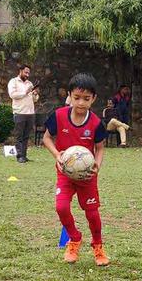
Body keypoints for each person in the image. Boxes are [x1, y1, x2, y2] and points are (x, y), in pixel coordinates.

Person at [42, 73, 111, 266]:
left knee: (92, 213)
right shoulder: (58, 116)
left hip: (86, 176)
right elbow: (46, 138)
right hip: (65, 172)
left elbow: (100, 147)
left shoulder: (96, 123)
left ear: (94, 99)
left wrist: (97, 165)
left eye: (86, 99)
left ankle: (98, 246)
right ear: (70, 96)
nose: (81, 103)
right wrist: (57, 156)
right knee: (61, 207)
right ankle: (74, 238)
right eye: (77, 98)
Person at [7, 64, 38, 163]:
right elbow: (12, 95)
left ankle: (24, 155)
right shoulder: (13, 81)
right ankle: (19, 156)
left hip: (30, 113)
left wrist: (35, 94)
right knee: (19, 136)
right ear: (20, 71)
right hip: (19, 112)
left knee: (26, 136)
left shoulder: (30, 83)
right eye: (26, 72)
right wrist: (25, 92)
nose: (27, 75)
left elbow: (35, 100)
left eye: (29, 73)